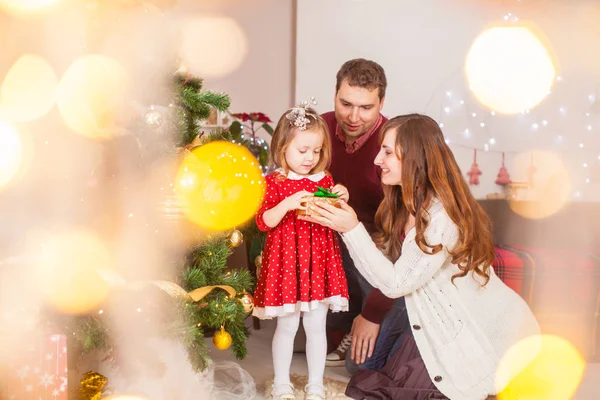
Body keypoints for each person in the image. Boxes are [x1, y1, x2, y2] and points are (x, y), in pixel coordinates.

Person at [300, 114, 540, 399]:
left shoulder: (441, 217)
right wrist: (370, 313)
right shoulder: (403, 200)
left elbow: (396, 282)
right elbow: (389, 266)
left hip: (476, 326)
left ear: (413, 157)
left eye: (387, 152)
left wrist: (351, 228)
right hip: (417, 305)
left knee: (412, 384)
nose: (377, 160)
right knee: (363, 367)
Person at [252, 105, 350, 400]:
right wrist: (287, 203)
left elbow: (335, 209)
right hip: (287, 264)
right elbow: (263, 221)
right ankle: (282, 383)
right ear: (283, 148)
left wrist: (341, 194)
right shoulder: (274, 183)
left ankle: (316, 385)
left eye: (317, 151)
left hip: (319, 261)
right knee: (287, 325)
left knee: (316, 325)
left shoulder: (324, 180)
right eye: (303, 150)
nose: (310, 158)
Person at [321, 58, 409, 373]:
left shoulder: (393, 143)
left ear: (381, 103)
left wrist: (372, 315)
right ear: (334, 95)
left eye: (366, 107)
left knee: (360, 367)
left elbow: (401, 238)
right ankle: (337, 325)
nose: (354, 116)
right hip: (329, 235)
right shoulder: (320, 129)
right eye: (346, 104)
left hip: (381, 245)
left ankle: (366, 321)